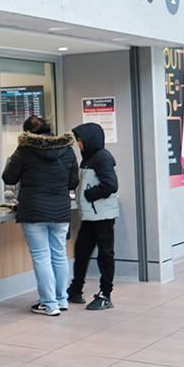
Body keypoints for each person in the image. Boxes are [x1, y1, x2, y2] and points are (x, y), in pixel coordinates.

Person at [2, 115, 78, 316]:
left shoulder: (24, 150)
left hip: (34, 209)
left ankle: (49, 303)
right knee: (59, 254)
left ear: (27, 133)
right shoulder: (67, 150)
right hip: (60, 210)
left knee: (41, 256)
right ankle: (62, 300)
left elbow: (8, 177)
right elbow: (73, 182)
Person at [68, 122, 119, 310]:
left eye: (80, 140)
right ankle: (75, 290)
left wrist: (89, 195)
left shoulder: (102, 158)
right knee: (82, 252)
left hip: (103, 216)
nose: (79, 144)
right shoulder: (88, 158)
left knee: (105, 255)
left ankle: (105, 294)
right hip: (90, 216)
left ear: (90, 140)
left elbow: (111, 185)